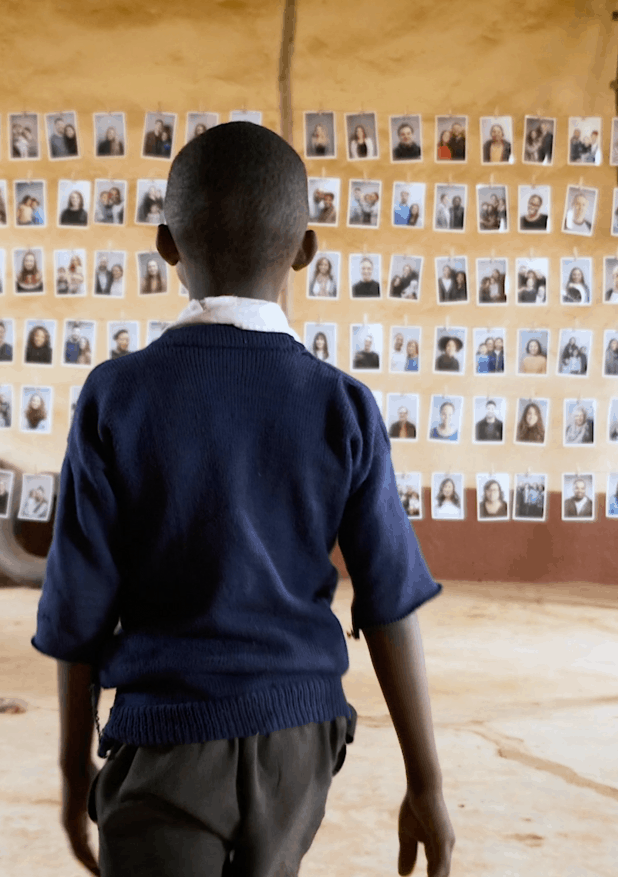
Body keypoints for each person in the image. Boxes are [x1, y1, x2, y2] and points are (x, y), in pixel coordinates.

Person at [32, 124, 454, 877]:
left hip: (166, 736)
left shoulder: (116, 398)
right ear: (305, 250)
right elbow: (389, 604)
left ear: (166, 246)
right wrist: (427, 784)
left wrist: (72, 778)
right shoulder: (342, 406)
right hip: (301, 741)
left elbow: (76, 613)